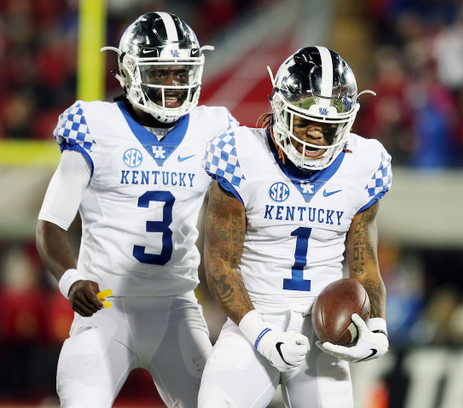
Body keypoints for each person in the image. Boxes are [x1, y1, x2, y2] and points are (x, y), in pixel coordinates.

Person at [35, 12, 238, 408]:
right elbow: (51, 223)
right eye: (160, 73)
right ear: (130, 71)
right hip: (106, 308)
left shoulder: (214, 129)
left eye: (181, 73)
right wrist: (72, 279)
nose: (173, 85)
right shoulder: (95, 125)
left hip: (177, 307)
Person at [198, 46, 392, 408]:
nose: (316, 135)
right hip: (252, 323)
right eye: (305, 122)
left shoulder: (365, 164)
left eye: (329, 125)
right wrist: (263, 336)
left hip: (325, 331)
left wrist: (377, 327)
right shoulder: (240, 153)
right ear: (279, 109)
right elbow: (220, 264)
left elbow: (365, 267)